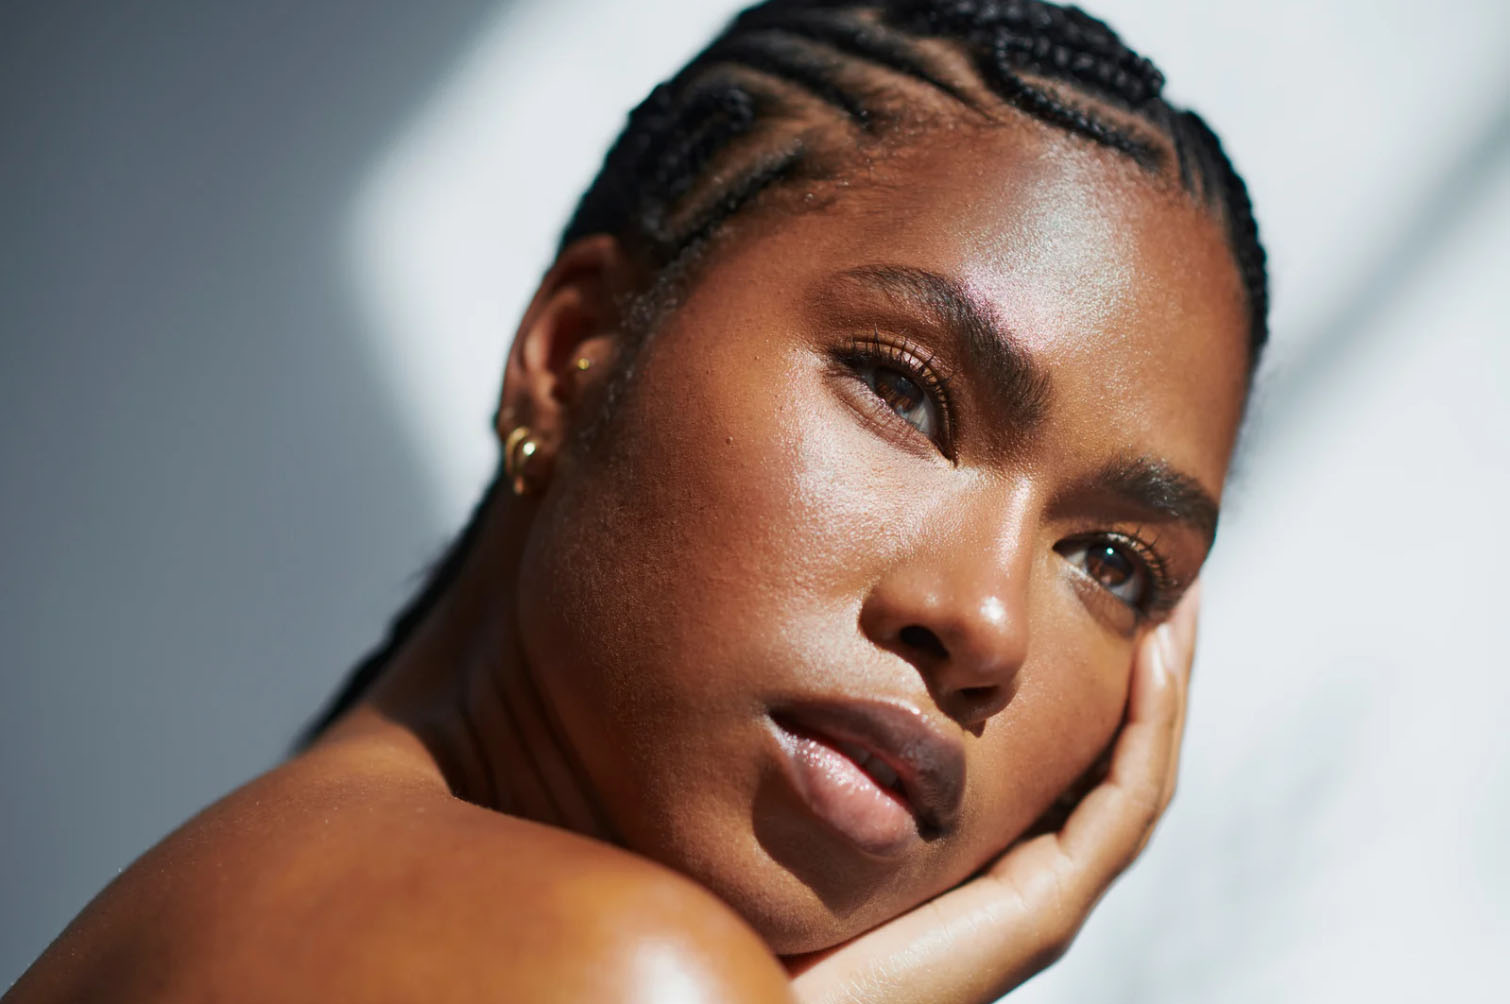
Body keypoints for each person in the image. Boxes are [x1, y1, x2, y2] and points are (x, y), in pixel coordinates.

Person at [5, 1, 1266, 1001]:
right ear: (573, 352)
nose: (987, 622)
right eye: (902, 389)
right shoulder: (614, 967)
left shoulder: (254, 884)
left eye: (1110, 559)